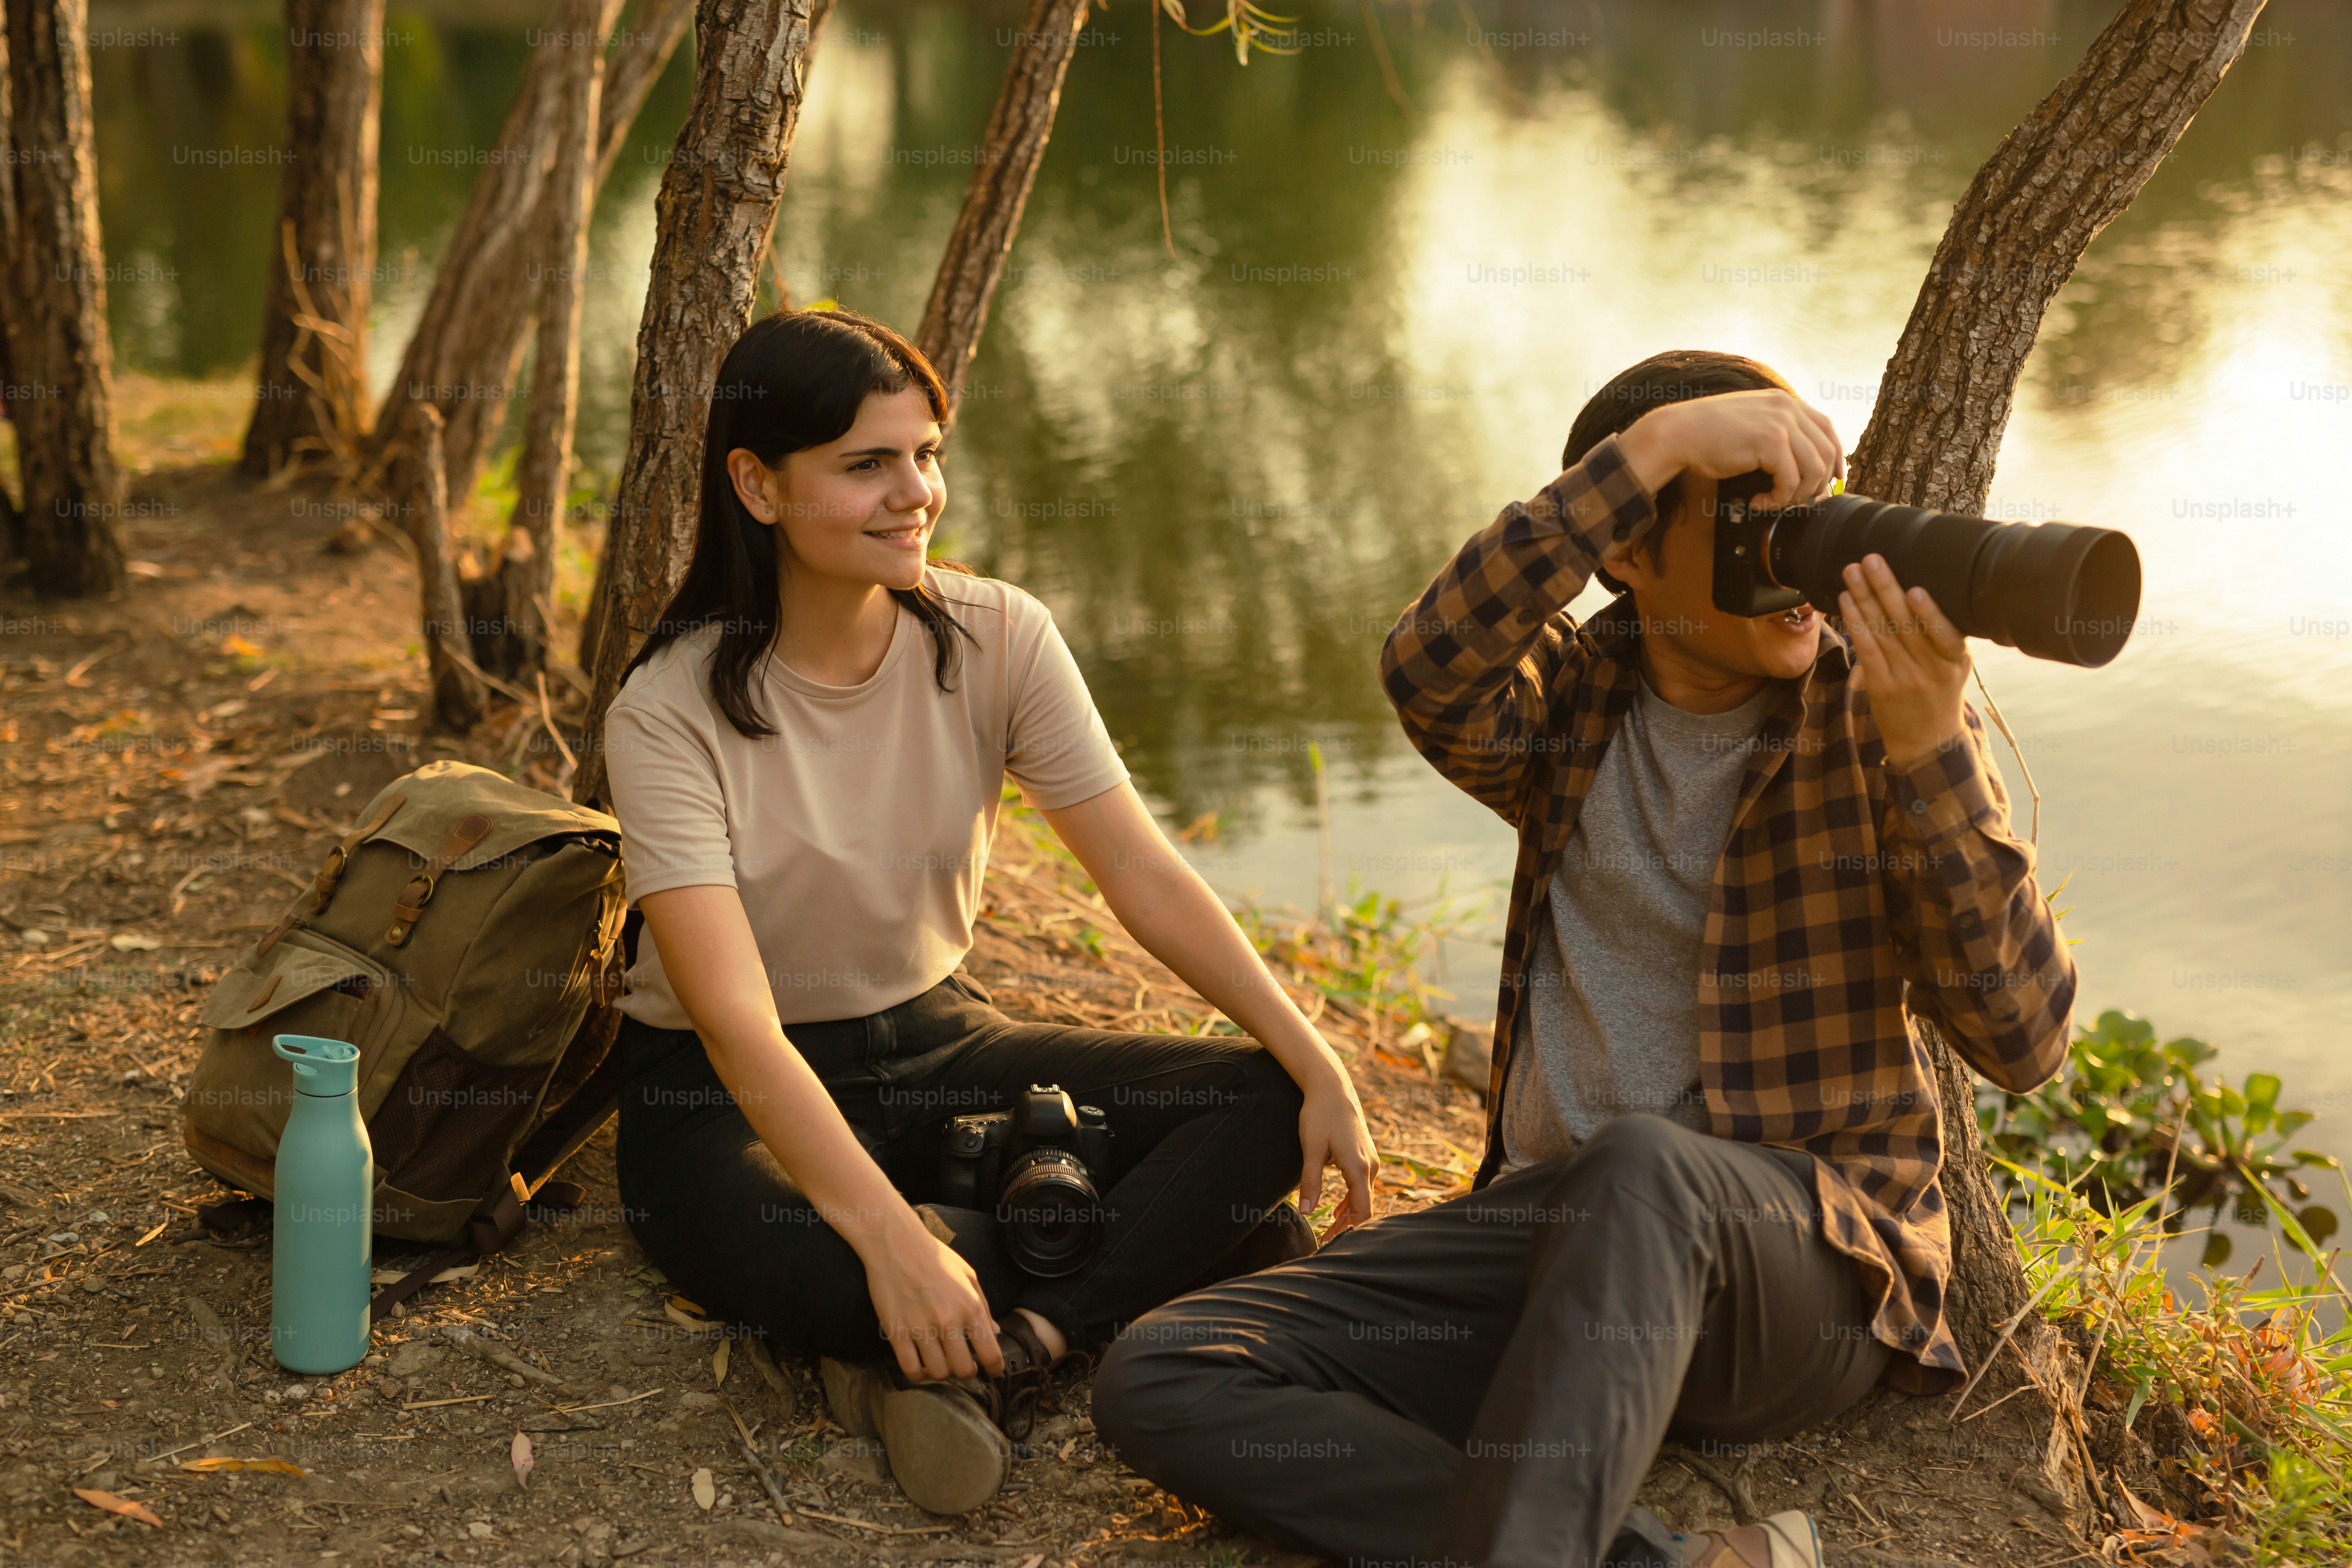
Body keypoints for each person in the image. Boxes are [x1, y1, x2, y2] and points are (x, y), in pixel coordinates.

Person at [1091, 351, 2076, 1568]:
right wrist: (1659, 450)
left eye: (1809, 520)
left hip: (1800, 1272)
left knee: (1645, 1171)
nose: (1796, 567)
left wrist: (1933, 744)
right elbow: (1428, 663)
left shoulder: (1874, 719)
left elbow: (2025, 1038)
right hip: (1552, 1245)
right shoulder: (1570, 698)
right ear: (1628, 551)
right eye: (1749, 525)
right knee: (1166, 1370)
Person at [600, 307, 1378, 1516]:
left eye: (927, 453)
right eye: (866, 464)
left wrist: (1317, 1058)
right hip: (715, 1101)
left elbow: (1142, 874)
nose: (916, 492)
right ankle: (1023, 1284)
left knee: (1266, 1102)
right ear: (757, 485)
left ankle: (1012, 1343)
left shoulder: (997, 635)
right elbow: (739, 1027)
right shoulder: (668, 711)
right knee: (832, 1258)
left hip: (936, 1045)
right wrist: (894, 1246)